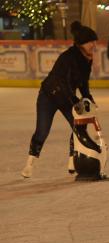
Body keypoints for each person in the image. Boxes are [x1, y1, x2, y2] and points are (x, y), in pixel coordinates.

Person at [21, 21, 98, 178]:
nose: (94, 45)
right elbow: (60, 82)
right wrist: (74, 102)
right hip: (49, 95)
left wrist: (88, 98)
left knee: (79, 127)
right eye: (91, 42)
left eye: (94, 41)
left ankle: (72, 161)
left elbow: (83, 82)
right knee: (42, 131)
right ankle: (30, 163)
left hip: (66, 97)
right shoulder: (68, 57)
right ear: (82, 43)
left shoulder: (88, 59)